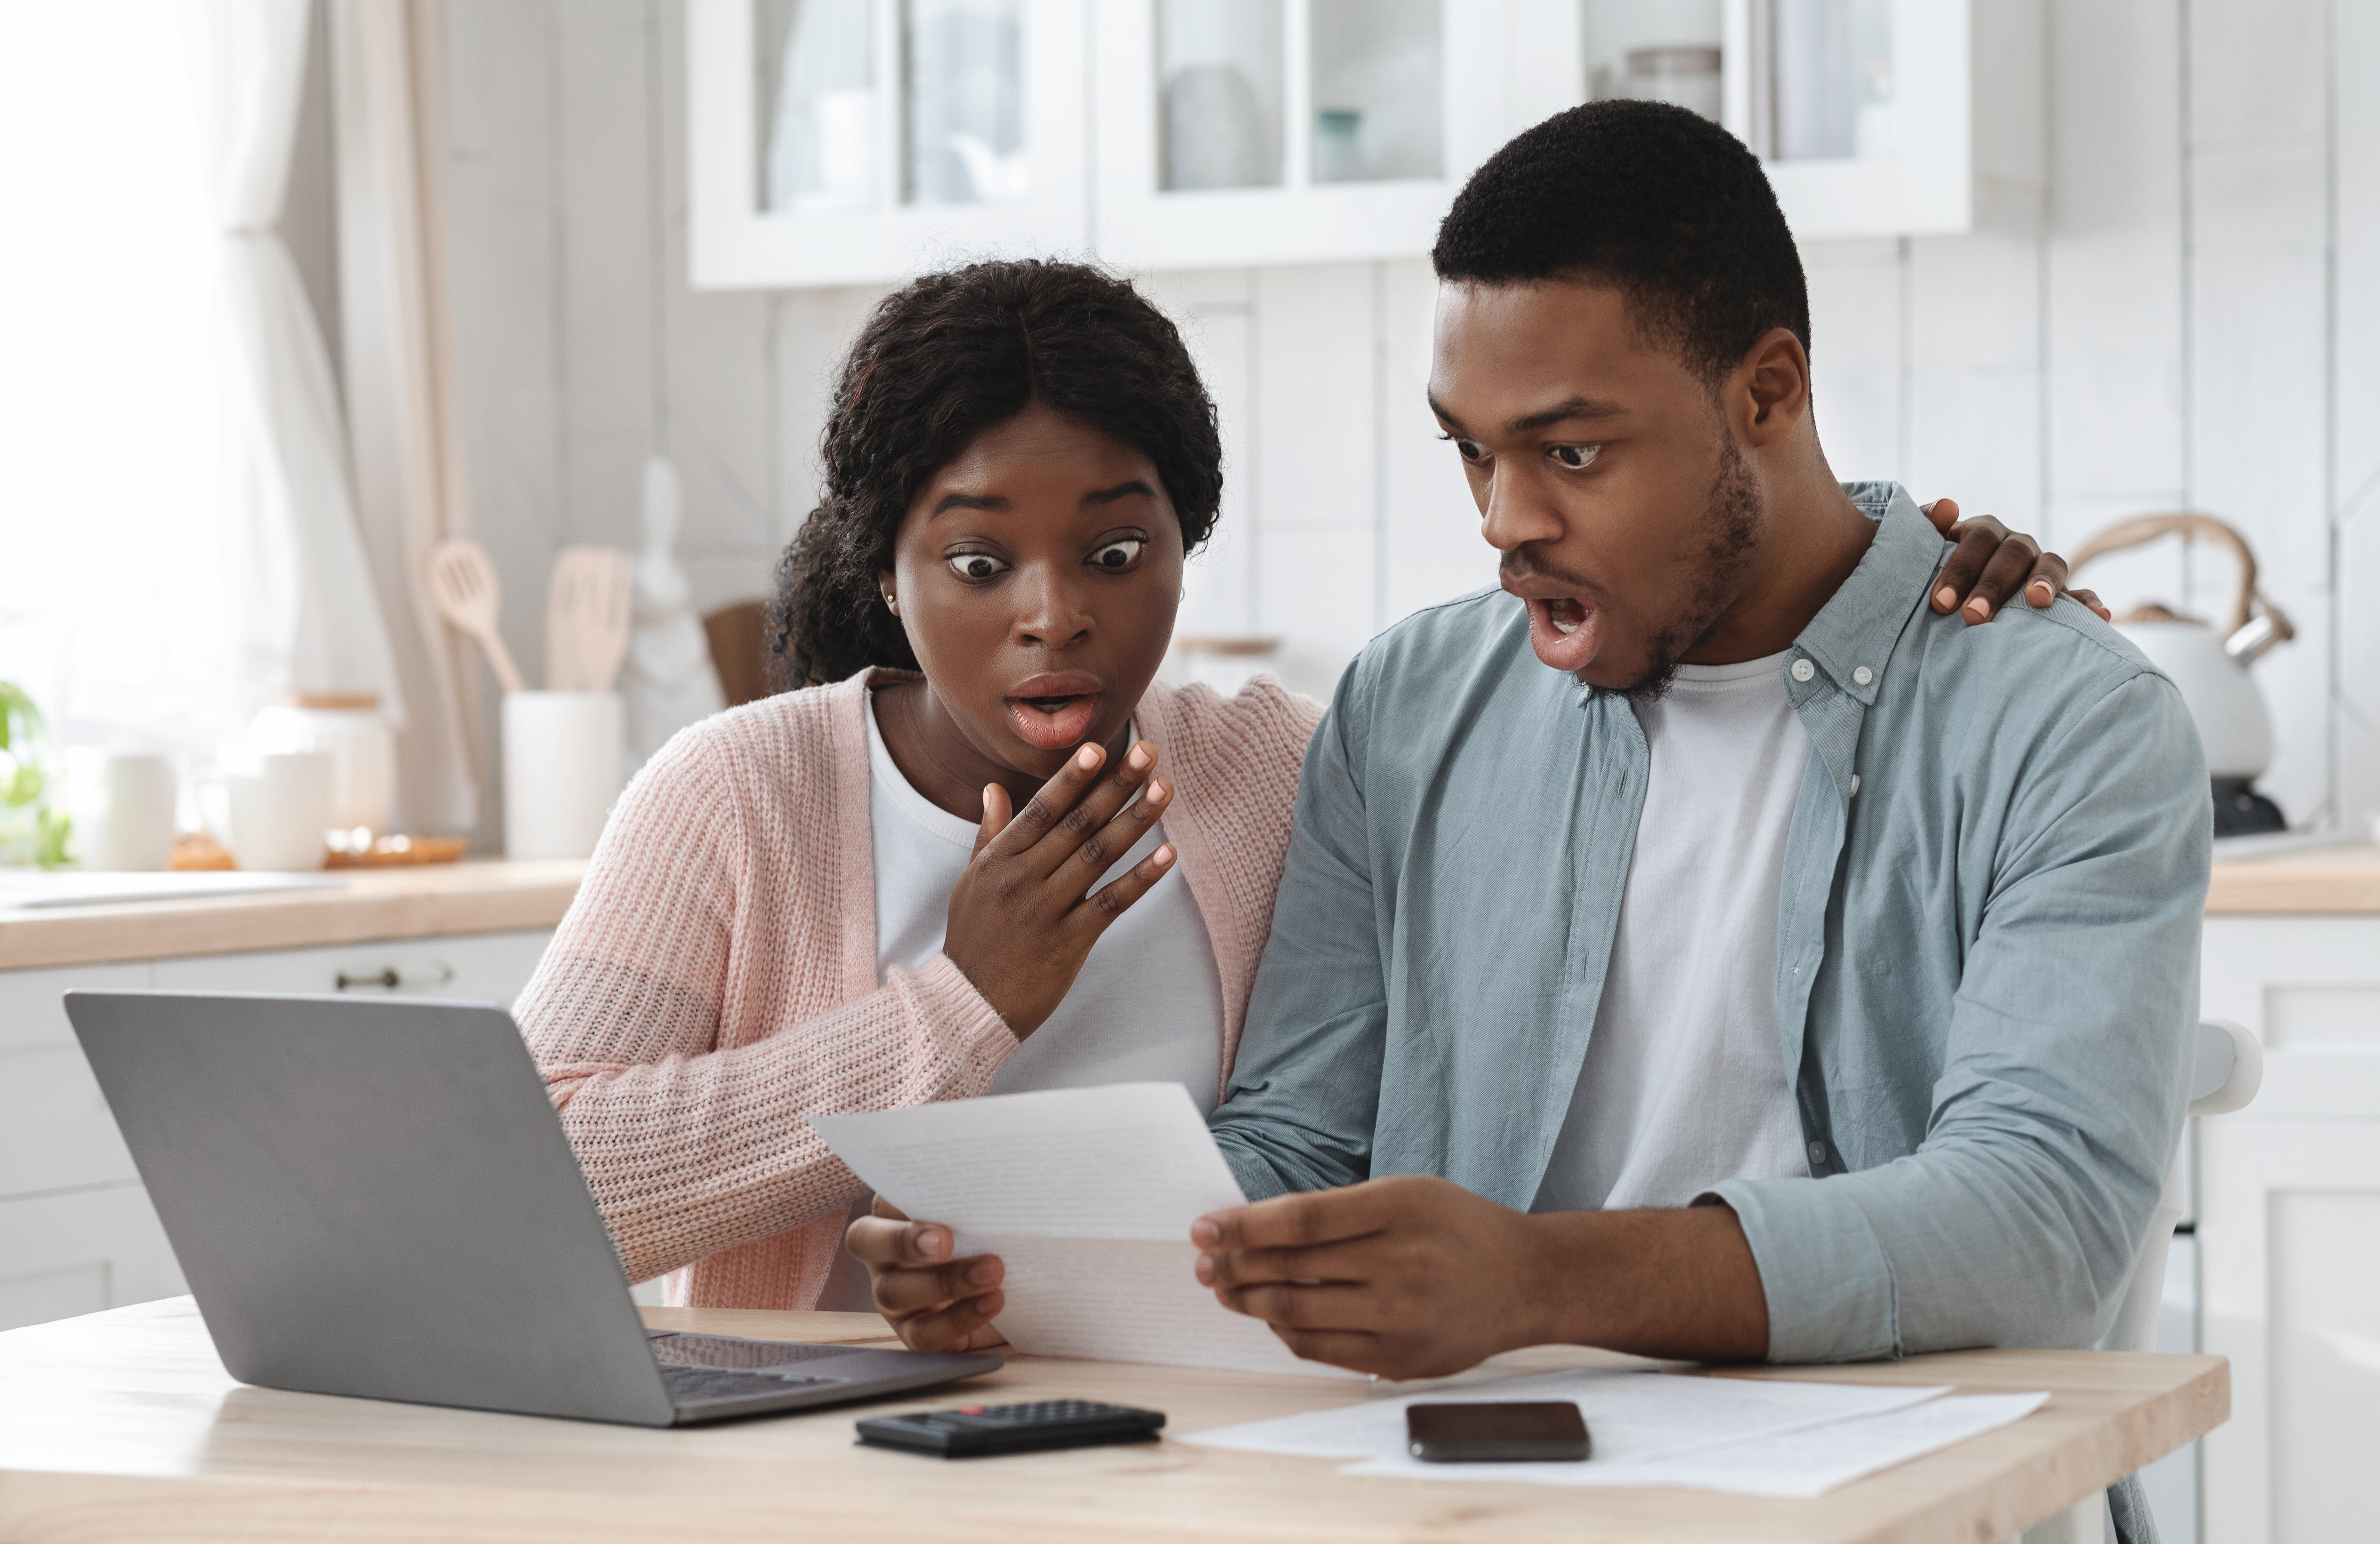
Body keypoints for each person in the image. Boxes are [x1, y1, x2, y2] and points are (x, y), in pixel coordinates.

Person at [519, 257, 2087, 1317]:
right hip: (823, 1474)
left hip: (1213, 1452)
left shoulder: (1273, 765)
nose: (1054, 612)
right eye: (979, 559)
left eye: (1117, 552)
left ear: (1186, 545)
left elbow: (1318, 1135)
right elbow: (528, 1188)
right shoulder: (739, 792)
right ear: (885, 558)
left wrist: (1889, 565)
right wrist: (960, 1005)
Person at [1173, 102, 2204, 1544]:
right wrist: (1028, 1250)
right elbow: (1298, 1140)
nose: (1503, 518)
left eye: (1573, 453)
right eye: (1471, 453)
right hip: (1463, 1498)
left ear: (1767, 391)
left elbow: (2040, 1222)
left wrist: (1535, 1280)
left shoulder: (2063, 720)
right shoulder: (1409, 702)